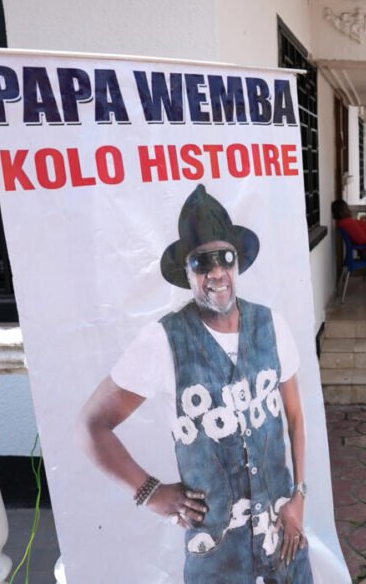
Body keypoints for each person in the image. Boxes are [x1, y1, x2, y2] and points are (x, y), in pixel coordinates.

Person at [79, 185, 312, 583]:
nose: (216, 272)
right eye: (202, 263)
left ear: (237, 265)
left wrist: (299, 496)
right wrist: (150, 492)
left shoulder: (272, 326)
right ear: (187, 273)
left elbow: (294, 418)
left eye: (225, 258)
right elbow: (92, 425)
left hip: (282, 535)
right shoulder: (163, 340)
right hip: (218, 552)